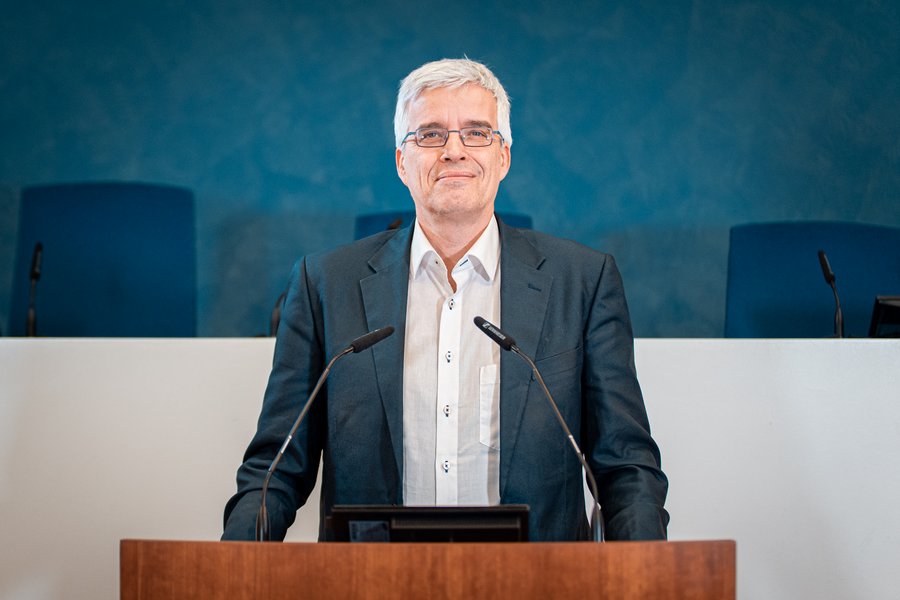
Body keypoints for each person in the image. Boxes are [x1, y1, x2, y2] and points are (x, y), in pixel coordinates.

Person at [223, 58, 668, 541]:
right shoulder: (326, 284)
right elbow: (275, 469)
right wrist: (234, 564)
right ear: (401, 162)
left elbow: (625, 466)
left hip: (537, 576)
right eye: (431, 134)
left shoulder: (582, 281)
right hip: (370, 576)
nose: (454, 150)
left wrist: (644, 573)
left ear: (503, 158)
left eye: (477, 133)